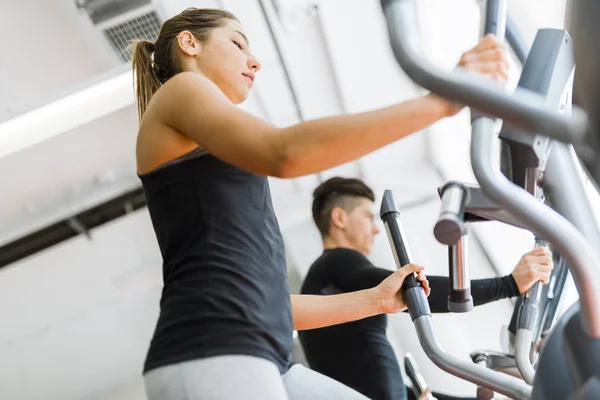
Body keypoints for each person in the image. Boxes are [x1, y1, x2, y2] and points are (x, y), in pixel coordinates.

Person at [131, 7, 511, 400]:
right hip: (212, 352)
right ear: (189, 43)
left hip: (264, 355)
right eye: (238, 43)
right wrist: (443, 102)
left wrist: (378, 300)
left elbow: (275, 302)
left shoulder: (211, 155)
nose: (255, 61)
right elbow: (284, 153)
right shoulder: (180, 90)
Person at [299, 177, 555, 400]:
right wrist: (507, 285)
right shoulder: (335, 261)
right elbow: (412, 291)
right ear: (339, 218)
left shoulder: (326, 280)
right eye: (368, 217)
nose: (376, 228)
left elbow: (385, 385)